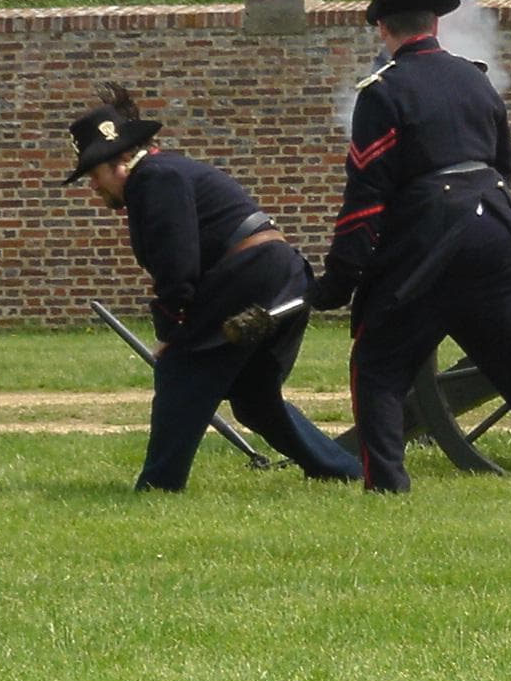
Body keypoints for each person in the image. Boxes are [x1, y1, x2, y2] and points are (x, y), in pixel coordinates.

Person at [307, 0, 511, 492]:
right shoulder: (475, 81)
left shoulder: (381, 92)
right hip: (494, 230)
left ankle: (386, 485)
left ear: (383, 28)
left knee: (378, 365)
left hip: (426, 245)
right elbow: (504, 167)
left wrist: (339, 279)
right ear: (437, 24)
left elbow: (366, 198)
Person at [64, 85, 359, 491]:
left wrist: (172, 332)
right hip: (280, 275)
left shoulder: (153, 179)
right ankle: (343, 471)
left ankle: (159, 486)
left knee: (181, 372)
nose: (93, 187)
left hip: (251, 274)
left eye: (94, 175)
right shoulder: (162, 173)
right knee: (254, 398)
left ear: (118, 163)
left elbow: (177, 262)